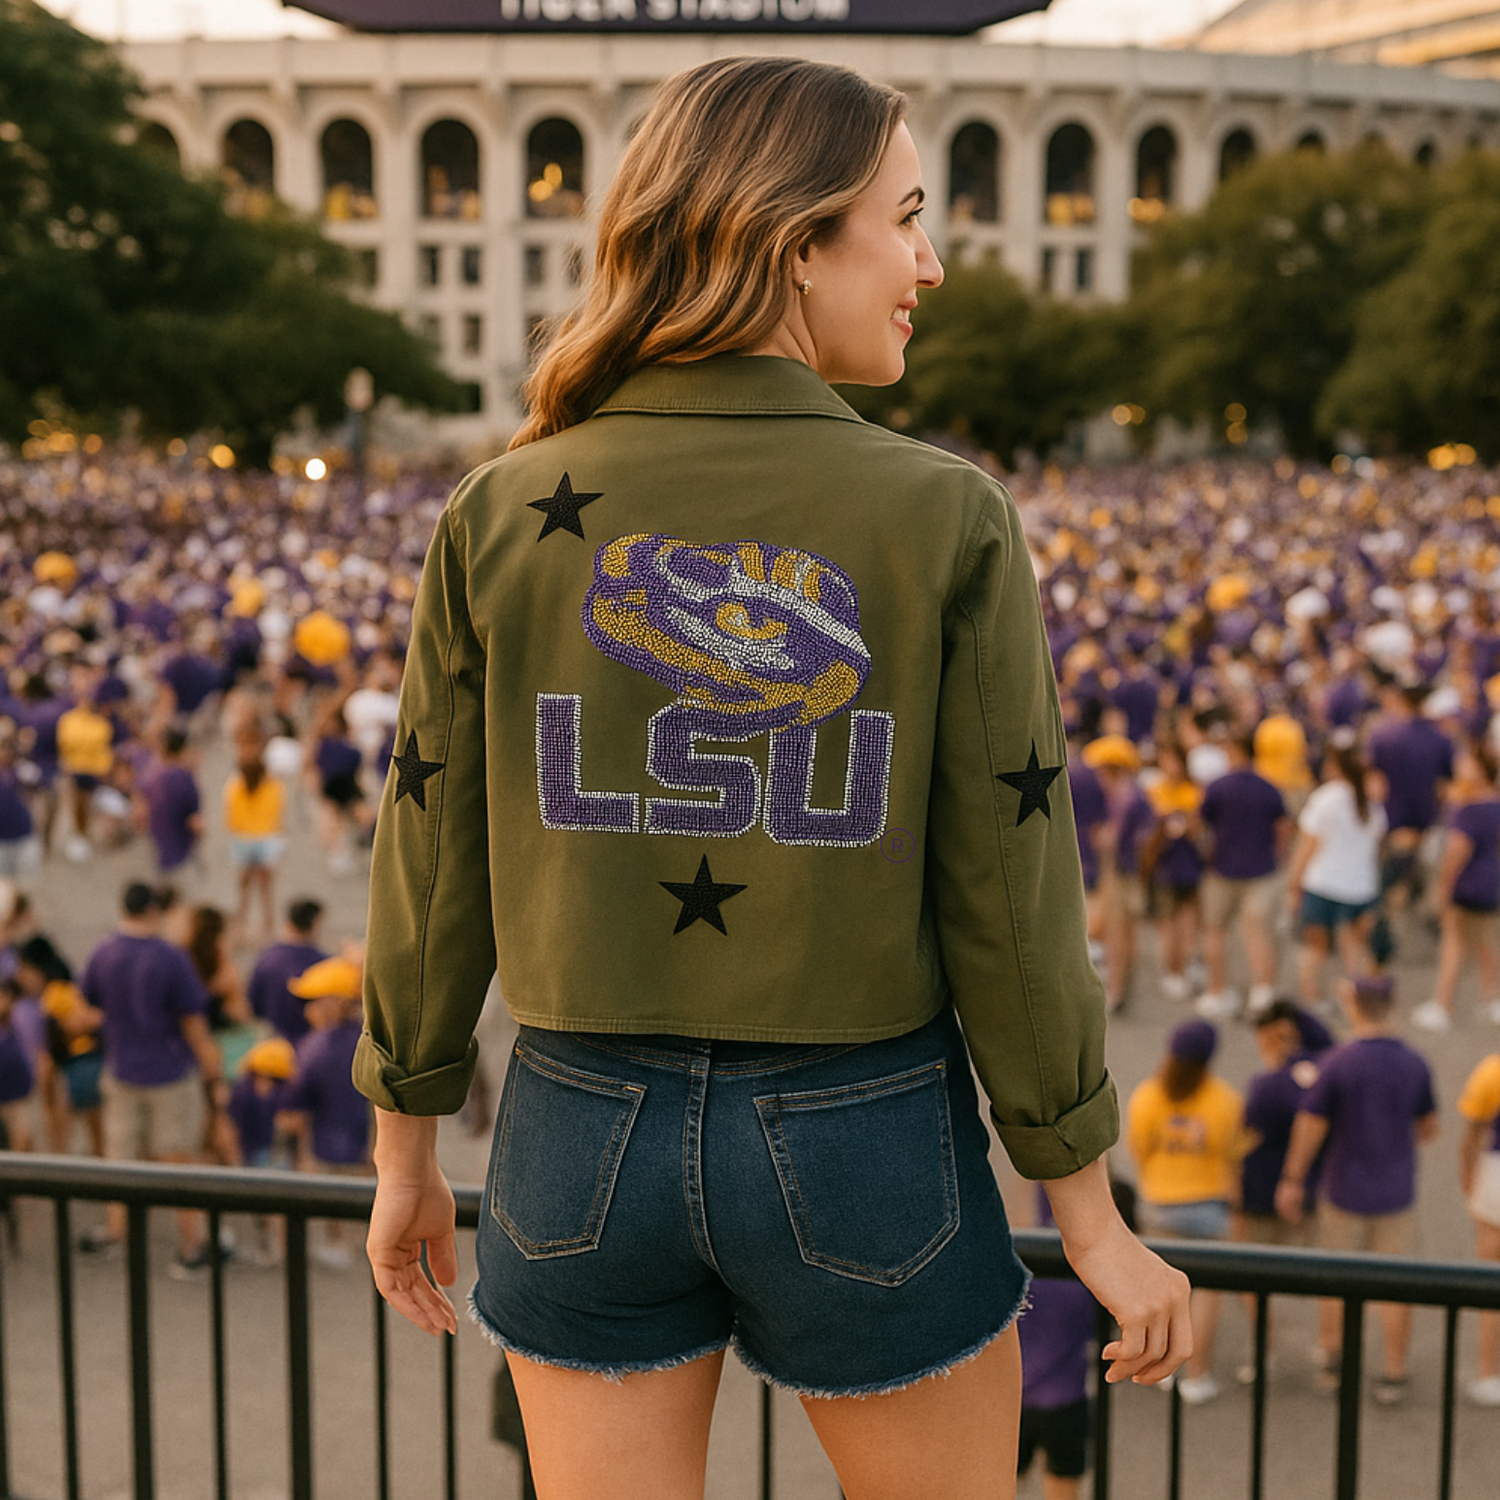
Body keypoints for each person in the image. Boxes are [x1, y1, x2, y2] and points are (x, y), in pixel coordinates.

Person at [357, 57, 1190, 1500]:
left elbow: (430, 860)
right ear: (798, 241)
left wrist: (403, 1145)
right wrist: (1086, 1206)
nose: (929, 262)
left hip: (568, 1126)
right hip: (864, 1128)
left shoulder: (501, 504)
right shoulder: (941, 514)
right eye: (908, 219)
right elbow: (1013, 888)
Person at [1276, 975, 1438, 1405]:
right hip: (1396, 1194)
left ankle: (1333, 1357)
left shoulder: (1338, 1062)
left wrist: (1292, 1179)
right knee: (1396, 1285)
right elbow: (1428, 1127)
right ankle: (1394, 1371)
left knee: (1337, 1278)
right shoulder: (1414, 1062)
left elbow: (1311, 1125)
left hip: (1343, 1189)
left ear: (1353, 1003)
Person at [77, 882, 231, 1274]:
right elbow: (193, 1023)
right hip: (170, 1073)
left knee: (120, 1157)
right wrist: (215, 1074)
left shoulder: (104, 952)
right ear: (154, 911)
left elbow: (87, 1009)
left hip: (121, 1068)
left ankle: (115, 1231)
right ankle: (191, 1244)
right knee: (177, 1160)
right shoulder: (170, 958)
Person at [1126, 1020, 1243, 1405]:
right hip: (1209, 1205)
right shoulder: (1224, 1099)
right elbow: (1231, 1153)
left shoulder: (1148, 1096)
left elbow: (1140, 1151)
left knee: (1161, 1291)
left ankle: (1162, 1368)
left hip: (1161, 1205)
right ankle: (1198, 1374)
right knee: (1205, 1294)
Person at [277, 953, 370, 1268]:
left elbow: (294, 1104)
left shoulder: (315, 1048)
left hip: (327, 1142)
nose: (308, 1010)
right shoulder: (367, 1037)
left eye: (315, 1001)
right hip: (365, 1140)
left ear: (335, 1003)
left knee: (332, 1197)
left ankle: (338, 1243)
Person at [1286, 738, 1387, 1009]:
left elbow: (1307, 846)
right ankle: (1361, 1001)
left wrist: (1293, 884)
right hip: (1360, 887)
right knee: (1355, 950)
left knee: (1315, 948)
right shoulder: (1370, 802)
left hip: (1324, 883)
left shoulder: (1327, 798)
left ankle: (1311, 998)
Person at [1196, 734, 1290, 1020]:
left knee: (1215, 932)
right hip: (1261, 869)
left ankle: (1216, 990)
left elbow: (1200, 825)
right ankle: (1263, 990)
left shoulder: (1218, 786)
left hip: (1222, 869)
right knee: (1258, 933)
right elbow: (1284, 827)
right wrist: (1278, 853)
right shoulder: (1269, 787)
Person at [1414, 740, 1500, 1030]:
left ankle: (1442, 1004)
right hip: (1491, 883)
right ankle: (1493, 999)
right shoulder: (1493, 804)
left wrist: (1442, 890)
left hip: (1467, 887)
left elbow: (1455, 854)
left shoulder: (1469, 810)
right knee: (1486, 944)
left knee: (1453, 946)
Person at [1456, 1050, 1500, 1406]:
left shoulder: (1493, 1069)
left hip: (1496, 1177)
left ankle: (1490, 1373)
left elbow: (1472, 1133)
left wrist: (1469, 1177)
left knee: (1492, 1280)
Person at [223, 750, 286, 944]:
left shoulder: (235, 786)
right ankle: (269, 927)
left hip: (242, 840)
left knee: (243, 889)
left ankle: (240, 927)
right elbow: (279, 813)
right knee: (266, 890)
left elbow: (230, 817)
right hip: (266, 840)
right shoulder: (274, 786)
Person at [246, 898, 327, 1045]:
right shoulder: (322, 963)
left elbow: (253, 1004)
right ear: (316, 923)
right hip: (310, 1042)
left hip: (275, 1040)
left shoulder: (267, 956)